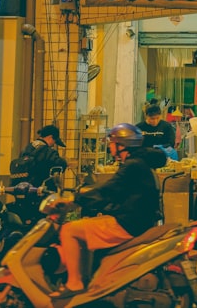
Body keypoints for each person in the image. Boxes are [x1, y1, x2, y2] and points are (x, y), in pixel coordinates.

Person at [55, 123, 166, 296]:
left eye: (111, 143)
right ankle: (87, 283)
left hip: (127, 223)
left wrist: (74, 200)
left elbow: (108, 190)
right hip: (138, 220)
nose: (109, 147)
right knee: (84, 226)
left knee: (69, 230)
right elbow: (119, 193)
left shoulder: (132, 166)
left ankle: (75, 284)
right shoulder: (141, 163)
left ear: (122, 145)